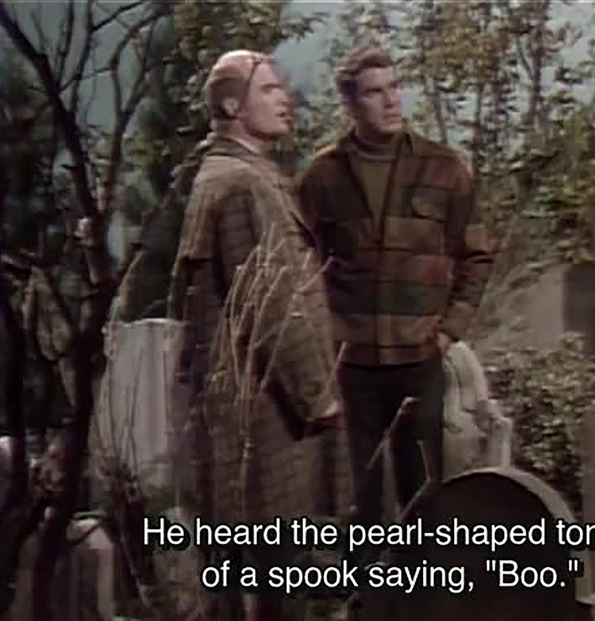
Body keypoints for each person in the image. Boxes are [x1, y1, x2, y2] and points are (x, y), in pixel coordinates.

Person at [295, 45, 494, 550]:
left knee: (424, 495)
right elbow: (301, 266)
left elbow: (476, 255)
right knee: (357, 501)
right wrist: (322, 340)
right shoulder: (323, 177)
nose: (390, 101)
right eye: (374, 92)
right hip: (351, 365)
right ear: (351, 104)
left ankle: (426, 586)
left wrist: (449, 331)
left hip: (418, 358)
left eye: (394, 87)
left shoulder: (444, 169)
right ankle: (366, 587)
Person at [167, 50, 341, 621]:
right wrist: (318, 394)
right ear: (230, 105)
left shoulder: (227, 176)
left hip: (250, 413)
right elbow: (272, 304)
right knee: (278, 582)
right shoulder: (242, 184)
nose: (284, 99)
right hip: (268, 418)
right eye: (268, 89)